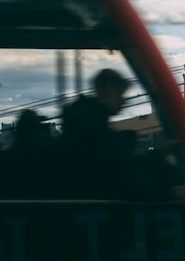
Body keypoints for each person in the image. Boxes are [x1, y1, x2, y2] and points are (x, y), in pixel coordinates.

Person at [58, 67, 136, 198]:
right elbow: (121, 176)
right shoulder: (95, 128)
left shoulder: (83, 118)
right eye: (120, 93)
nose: (123, 100)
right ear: (107, 89)